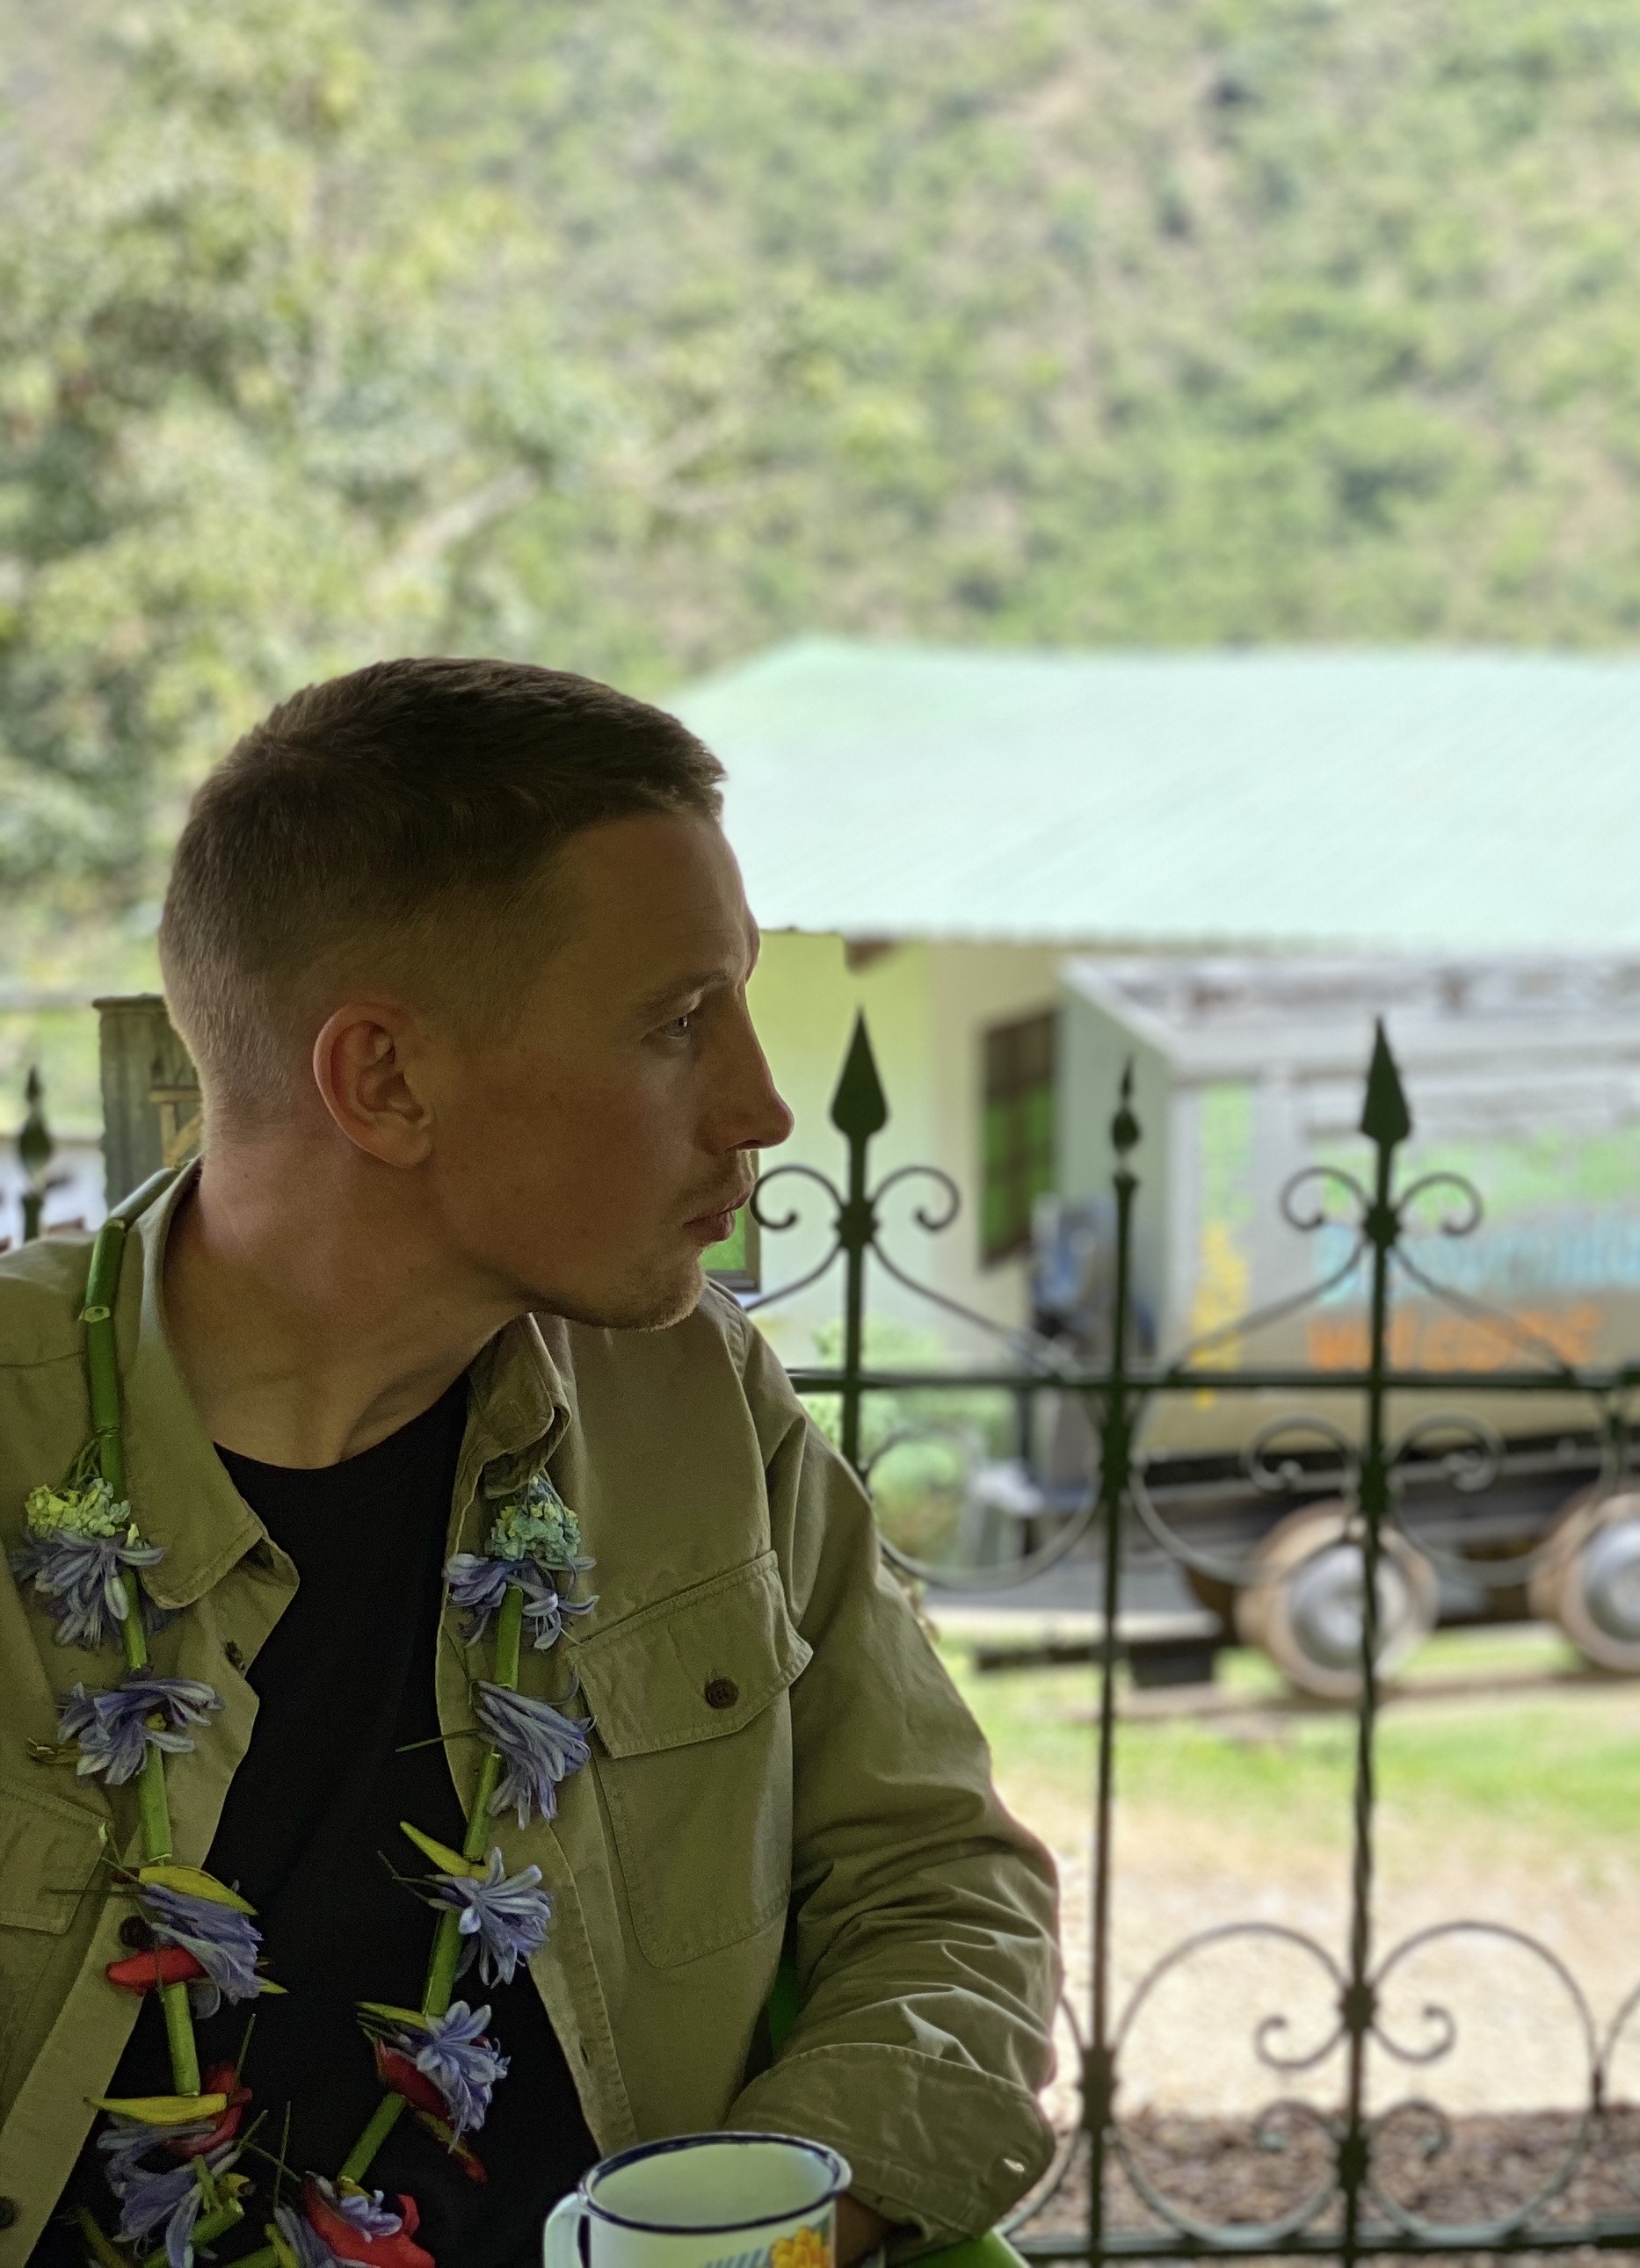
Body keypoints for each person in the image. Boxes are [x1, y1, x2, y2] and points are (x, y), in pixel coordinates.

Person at [0, 662, 1060, 2268]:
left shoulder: (696, 1397)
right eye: (679, 1022)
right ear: (386, 1082)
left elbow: (938, 1884)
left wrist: (796, 2210)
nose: (762, 1105)